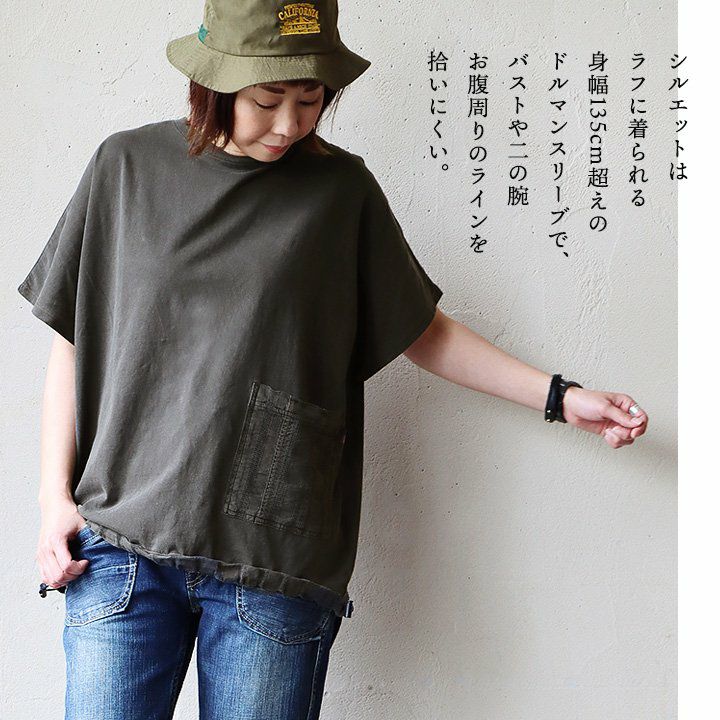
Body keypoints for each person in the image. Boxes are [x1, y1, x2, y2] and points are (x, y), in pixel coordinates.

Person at [18, 1, 649, 719]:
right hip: (121, 544)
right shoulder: (126, 167)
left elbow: (422, 332)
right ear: (213, 83)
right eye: (267, 100)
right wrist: (53, 501)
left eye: (310, 98)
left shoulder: (341, 193)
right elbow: (74, 337)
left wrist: (561, 397)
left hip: (275, 555)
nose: (289, 124)